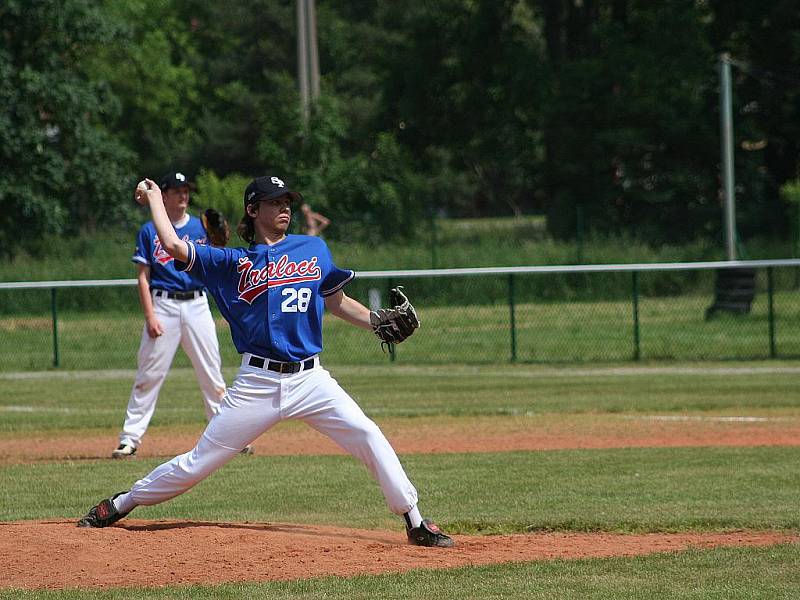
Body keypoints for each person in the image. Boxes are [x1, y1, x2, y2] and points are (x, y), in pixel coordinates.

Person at [77, 174, 454, 548]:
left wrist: (373, 320)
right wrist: (157, 198)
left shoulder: (313, 249)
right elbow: (175, 246)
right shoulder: (231, 262)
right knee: (197, 464)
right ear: (253, 210)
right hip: (257, 383)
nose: (285, 207)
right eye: (275, 202)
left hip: (312, 380)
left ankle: (415, 521)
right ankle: (122, 502)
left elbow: (333, 300)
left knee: (367, 434)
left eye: (287, 201)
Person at [113, 171, 250, 459]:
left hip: (197, 304)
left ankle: (227, 436)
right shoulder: (150, 231)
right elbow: (143, 276)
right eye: (177, 191)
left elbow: (217, 264)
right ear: (163, 195)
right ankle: (130, 438)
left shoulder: (201, 228)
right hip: (163, 305)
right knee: (149, 375)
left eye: (186, 190)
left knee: (212, 375)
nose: (184, 195)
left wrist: (219, 243)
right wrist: (150, 316)